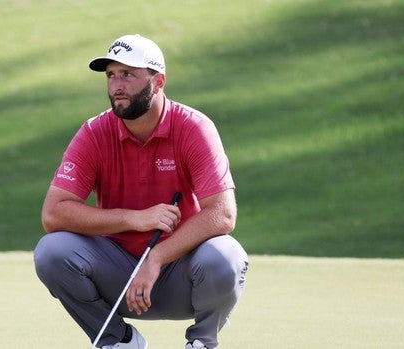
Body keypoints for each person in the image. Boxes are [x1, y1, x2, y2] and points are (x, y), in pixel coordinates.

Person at [34, 34, 249, 349]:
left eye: (128, 75)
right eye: (111, 75)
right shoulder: (94, 133)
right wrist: (134, 219)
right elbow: (54, 213)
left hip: (182, 274)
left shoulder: (193, 127)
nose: (116, 85)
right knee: (52, 252)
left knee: (225, 256)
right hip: (118, 277)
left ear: (158, 81)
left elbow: (223, 213)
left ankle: (203, 340)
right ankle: (118, 340)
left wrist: (157, 257)